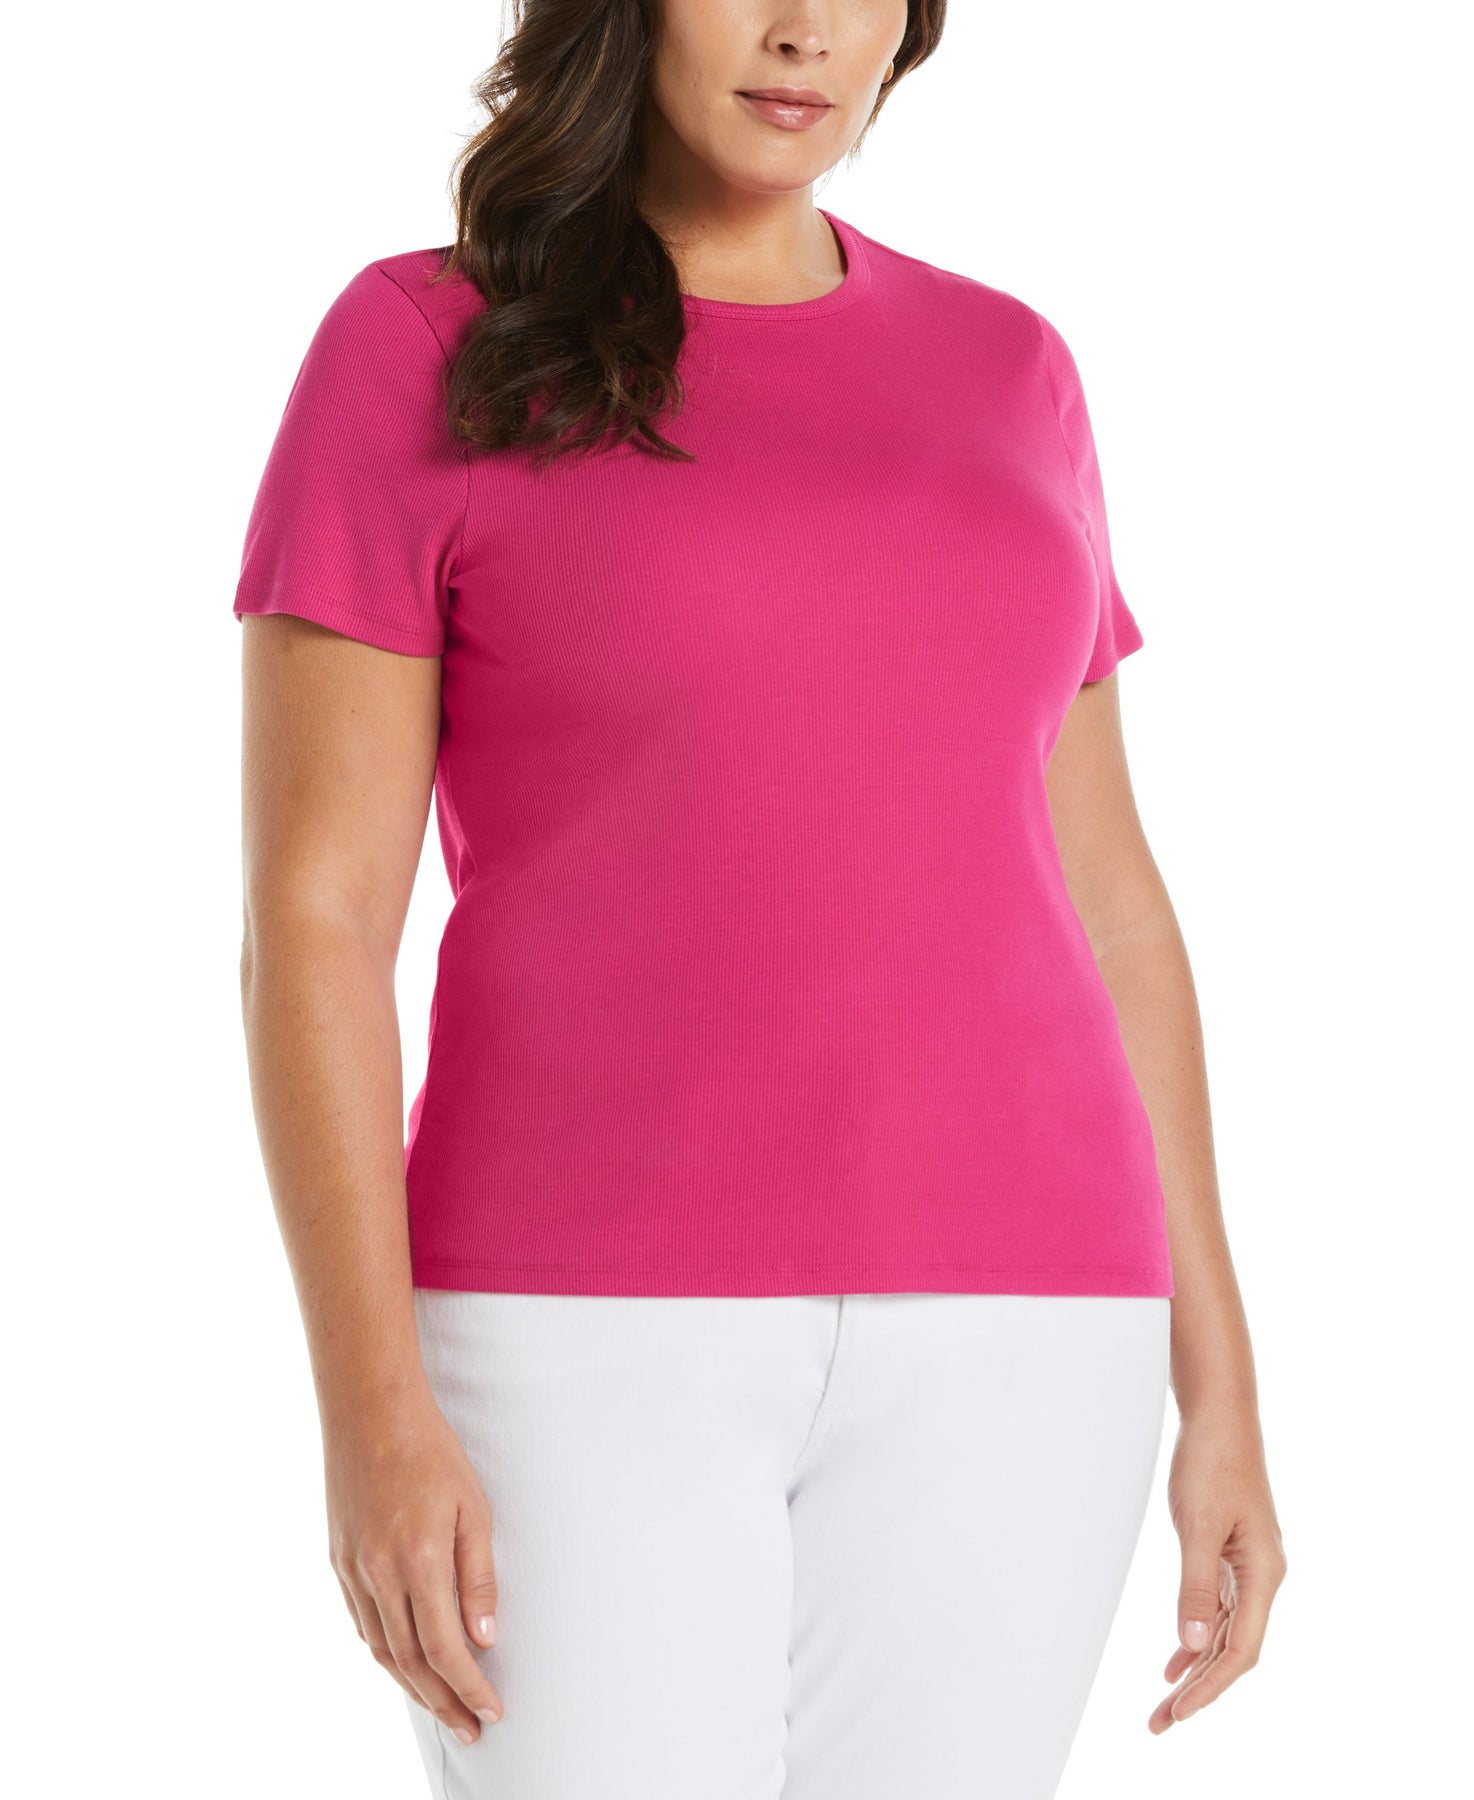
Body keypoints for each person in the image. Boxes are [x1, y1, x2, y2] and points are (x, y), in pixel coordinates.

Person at [233, 3, 1287, 1795]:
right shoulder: (422, 343)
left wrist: (1223, 1387)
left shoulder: (1011, 367)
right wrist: (369, 1409)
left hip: (1033, 1322)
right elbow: (315, 920)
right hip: (573, 1326)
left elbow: (1108, 896)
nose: (805, 31)